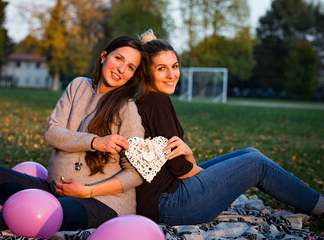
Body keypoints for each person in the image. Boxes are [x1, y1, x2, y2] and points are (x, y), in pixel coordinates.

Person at [134, 29, 324, 225]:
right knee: (256, 163)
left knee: (250, 153)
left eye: (174, 66)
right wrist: (215, 178)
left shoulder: (147, 99)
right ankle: (321, 206)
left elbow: (177, 161)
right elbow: (179, 167)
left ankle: (310, 203)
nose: (172, 74)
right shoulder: (156, 100)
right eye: (161, 69)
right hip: (171, 204)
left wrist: (190, 157)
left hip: (166, 196)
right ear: (147, 71)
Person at [0, 35, 149, 236]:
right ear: (104, 56)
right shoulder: (78, 86)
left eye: (131, 67)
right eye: (119, 59)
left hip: (102, 203)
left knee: (26, 215)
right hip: (54, 190)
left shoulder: (126, 108)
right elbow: (52, 133)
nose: (122, 69)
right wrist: (95, 142)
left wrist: (88, 191)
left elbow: (136, 173)